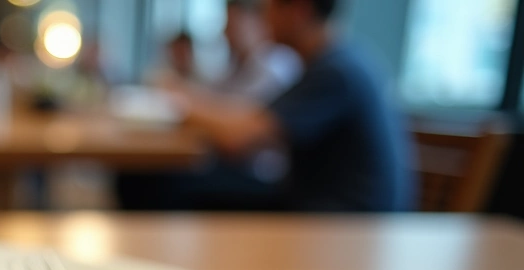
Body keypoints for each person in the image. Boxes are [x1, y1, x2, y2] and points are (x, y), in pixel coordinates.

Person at [130, 0, 413, 212]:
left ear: (299, 10)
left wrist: (175, 103)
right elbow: (248, 122)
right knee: (166, 180)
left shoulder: (337, 71)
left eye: (270, 7)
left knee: (169, 183)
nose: (264, 17)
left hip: (346, 228)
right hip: (320, 208)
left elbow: (239, 138)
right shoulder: (334, 61)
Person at [212, 0, 301, 103]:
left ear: (257, 23)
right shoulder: (238, 64)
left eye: (232, 26)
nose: (225, 33)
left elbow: (246, 110)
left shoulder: (277, 63)